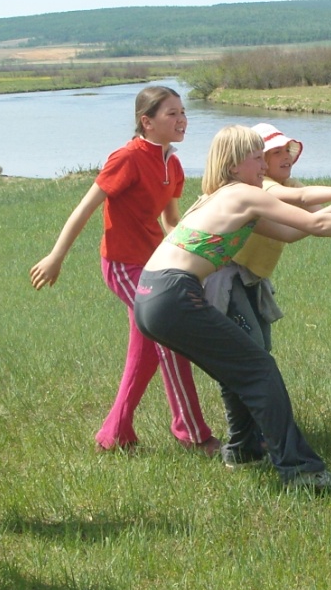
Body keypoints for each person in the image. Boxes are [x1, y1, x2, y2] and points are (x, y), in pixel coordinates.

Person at [132, 125, 331, 488]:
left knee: (240, 370)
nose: (265, 164)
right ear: (232, 165)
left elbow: (294, 231)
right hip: (173, 296)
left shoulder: (223, 197)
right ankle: (300, 470)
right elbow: (317, 223)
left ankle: (244, 450)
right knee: (260, 370)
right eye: (257, 157)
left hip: (151, 297)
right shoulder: (242, 195)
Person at [29, 85, 216, 453]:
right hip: (122, 265)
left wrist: (198, 251)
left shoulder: (172, 164)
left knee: (145, 350)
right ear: (146, 122)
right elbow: (85, 208)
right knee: (170, 336)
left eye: (182, 112)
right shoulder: (127, 158)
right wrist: (56, 256)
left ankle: (114, 435)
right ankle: (192, 433)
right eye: (171, 114)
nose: (182, 120)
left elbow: (171, 220)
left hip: (154, 264)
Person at [213, 122, 331, 466]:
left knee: (258, 354)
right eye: (273, 153)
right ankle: (244, 444)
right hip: (226, 278)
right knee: (250, 359)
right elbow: (301, 205)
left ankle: (248, 442)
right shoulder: (262, 186)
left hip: (252, 279)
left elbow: (310, 221)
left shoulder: (283, 184)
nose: (285, 157)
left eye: (287, 151)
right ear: (255, 162)